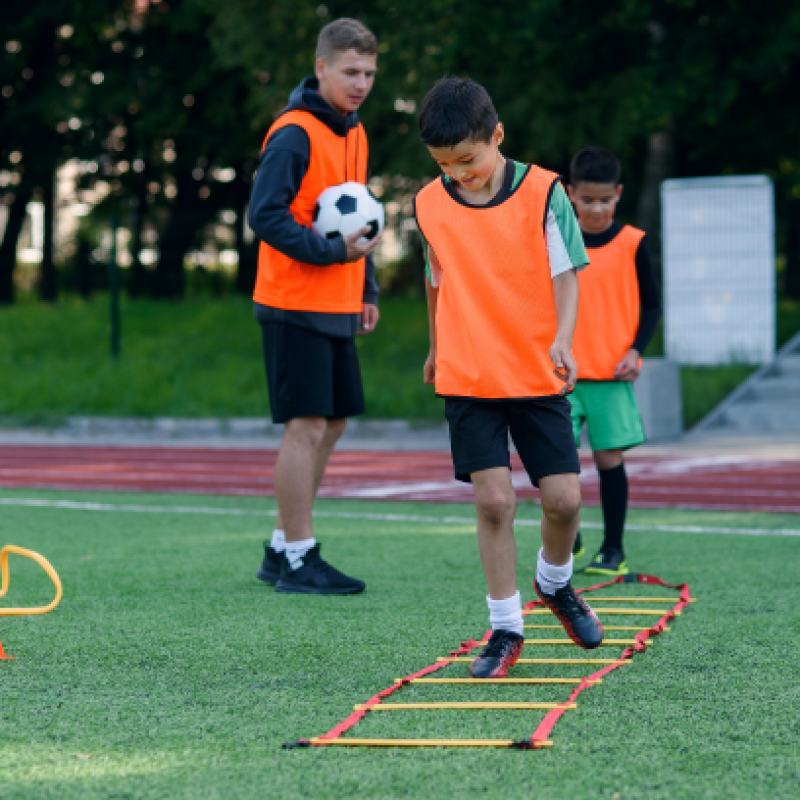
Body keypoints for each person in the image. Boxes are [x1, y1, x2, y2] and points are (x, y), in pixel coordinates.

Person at [414, 78, 604, 679]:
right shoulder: (427, 204)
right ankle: (505, 628)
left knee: (564, 501)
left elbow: (568, 272)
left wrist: (564, 340)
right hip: (469, 372)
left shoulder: (544, 192)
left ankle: (554, 583)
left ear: (496, 137)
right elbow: (435, 278)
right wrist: (436, 345)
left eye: (467, 160)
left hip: (535, 368)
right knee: (494, 502)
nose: (458, 173)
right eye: (445, 164)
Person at [248, 19, 381, 595]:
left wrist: (366, 287)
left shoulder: (356, 133)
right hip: (291, 301)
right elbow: (264, 215)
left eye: (370, 74)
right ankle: (301, 558)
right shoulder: (293, 133)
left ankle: (281, 548)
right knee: (305, 426)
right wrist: (329, 252)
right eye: (351, 72)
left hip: (336, 301)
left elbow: (360, 216)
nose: (361, 84)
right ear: (321, 67)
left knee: (334, 422)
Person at [567, 147, 662, 576]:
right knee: (556, 465)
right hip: (561, 378)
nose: (597, 208)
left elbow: (652, 306)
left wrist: (635, 350)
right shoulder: (558, 244)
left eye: (605, 200)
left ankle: (613, 549)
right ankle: (570, 536)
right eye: (588, 200)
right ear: (571, 194)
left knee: (609, 462)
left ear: (619, 194)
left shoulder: (633, 243)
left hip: (610, 375)